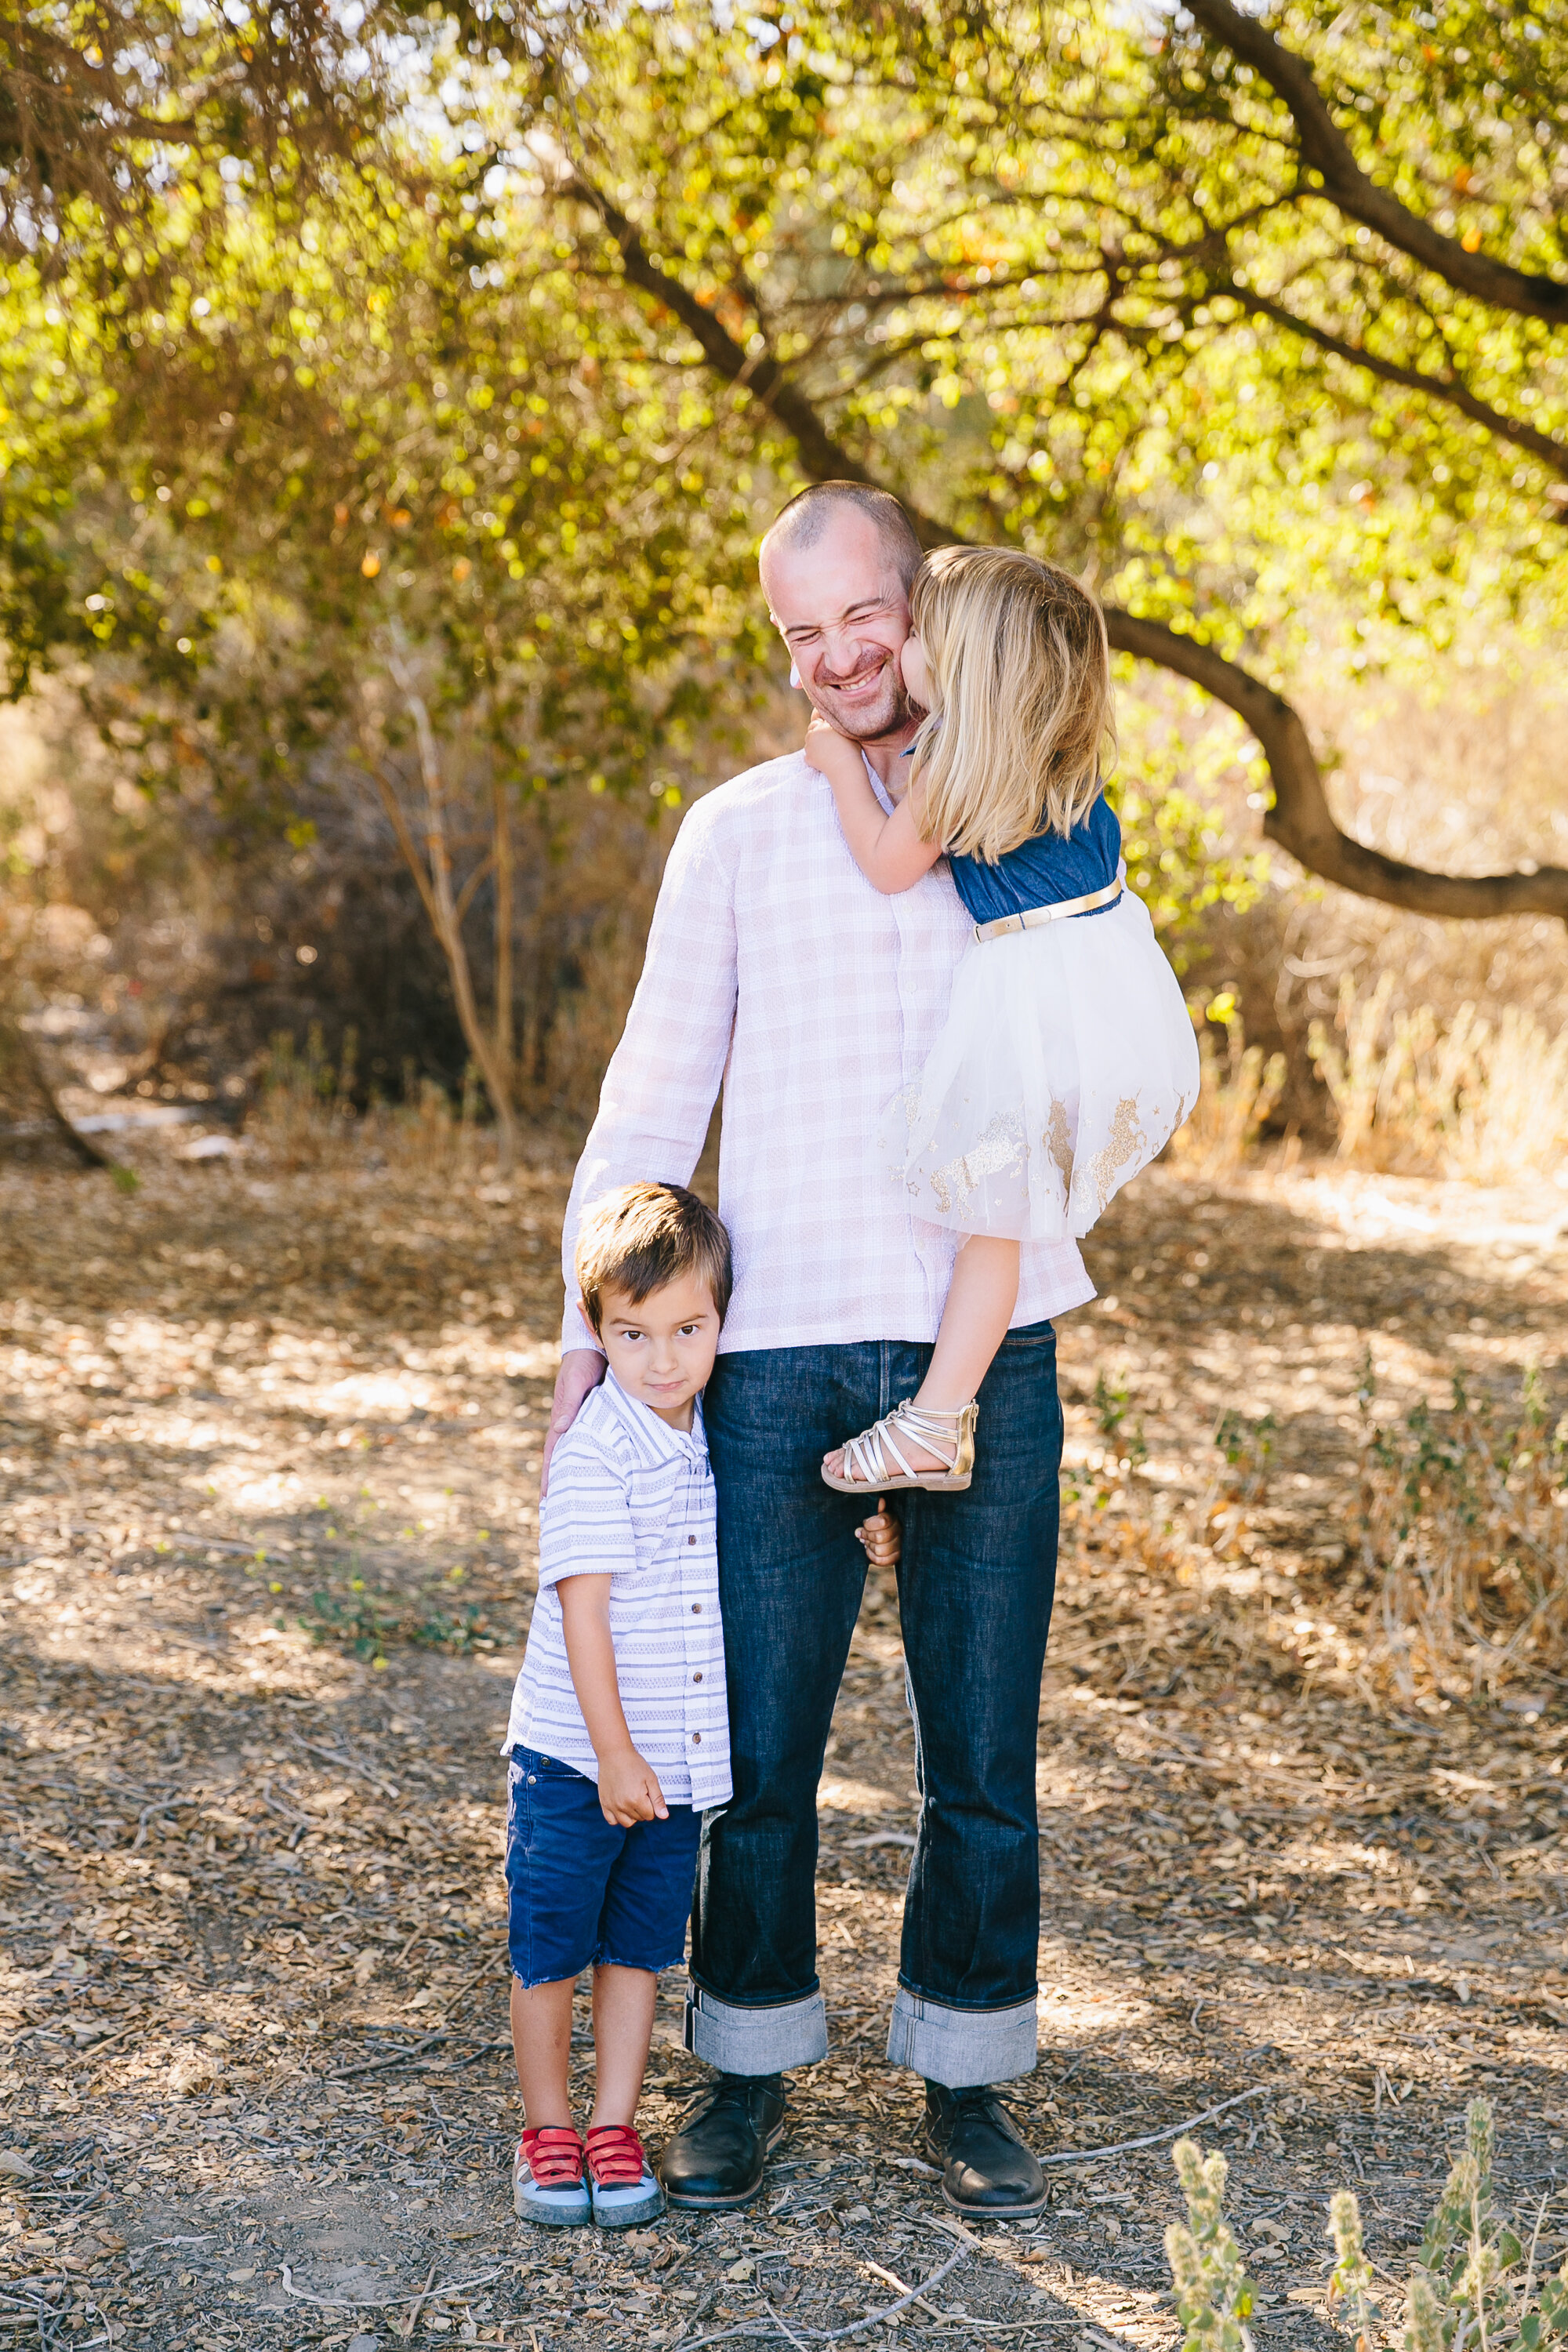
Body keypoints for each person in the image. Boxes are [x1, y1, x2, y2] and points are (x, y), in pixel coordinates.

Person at [545, 482, 1096, 2220]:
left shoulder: (1018, 805)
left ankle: (969, 2070)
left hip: (979, 1349)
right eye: (800, 635)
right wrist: (570, 1361)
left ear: (921, 601)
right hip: (768, 1351)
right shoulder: (733, 832)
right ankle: (752, 2066)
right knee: (758, 1753)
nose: (839, 655)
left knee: (981, 1752)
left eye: (860, 616)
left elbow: (1076, 1042)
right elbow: (652, 1096)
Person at [808, 546, 1199, 1496]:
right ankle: (934, 1421)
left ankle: (935, 1422)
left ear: (951, 666)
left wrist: (837, 767)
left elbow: (889, 862)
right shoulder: (1049, 755)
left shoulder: (953, 770)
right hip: (1107, 1004)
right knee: (999, 1229)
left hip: (1033, 1005)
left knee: (991, 1225)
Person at [505, 1181, 732, 2231]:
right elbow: (582, 1613)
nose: (664, 1359)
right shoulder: (598, 1447)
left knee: (640, 1949)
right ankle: (547, 2124)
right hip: (575, 1760)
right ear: (597, 1331)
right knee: (553, 1946)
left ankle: (614, 2121)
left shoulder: (704, 1439)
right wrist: (612, 1755)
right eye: (634, 1335)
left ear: (721, 1320)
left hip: (671, 1768)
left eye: (688, 1329)